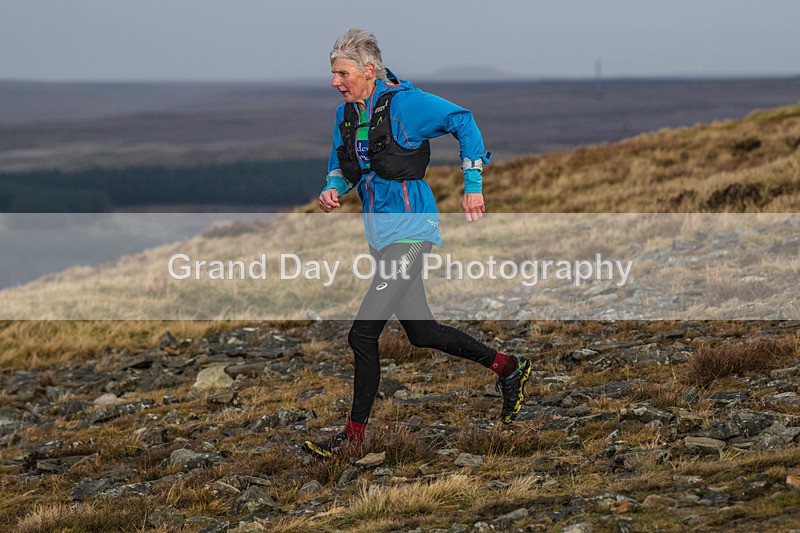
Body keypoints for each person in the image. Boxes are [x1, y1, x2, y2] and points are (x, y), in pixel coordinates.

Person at [303, 28, 531, 459]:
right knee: (422, 331)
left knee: (361, 335)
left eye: (341, 73)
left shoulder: (407, 104)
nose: (334, 81)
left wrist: (473, 183)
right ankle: (509, 367)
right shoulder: (346, 114)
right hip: (380, 234)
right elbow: (343, 164)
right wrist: (334, 188)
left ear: (368, 71)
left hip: (411, 230)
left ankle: (352, 440)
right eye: (333, 73)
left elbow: (462, 119)